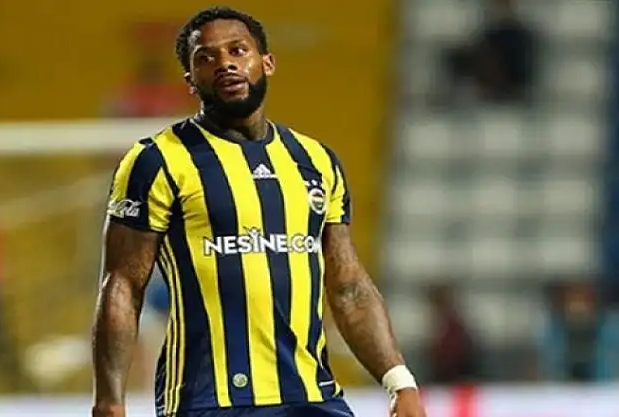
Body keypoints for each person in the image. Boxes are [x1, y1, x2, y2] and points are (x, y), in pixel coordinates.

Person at [91, 7, 426, 417]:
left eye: (238, 50)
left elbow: (348, 287)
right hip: (207, 402)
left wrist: (399, 381)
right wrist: (109, 401)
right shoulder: (156, 161)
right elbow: (123, 285)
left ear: (266, 62)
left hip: (313, 399)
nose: (225, 63)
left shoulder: (315, 161)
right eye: (206, 57)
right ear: (190, 80)